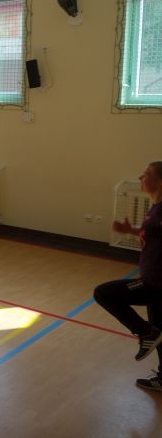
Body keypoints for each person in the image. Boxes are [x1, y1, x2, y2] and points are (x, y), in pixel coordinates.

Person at [94, 161, 162, 391]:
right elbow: (153, 232)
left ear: (160, 182)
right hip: (153, 278)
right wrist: (130, 230)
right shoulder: (156, 207)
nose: (141, 177)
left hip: (156, 283)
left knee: (104, 293)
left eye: (147, 174)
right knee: (160, 328)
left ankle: (145, 332)